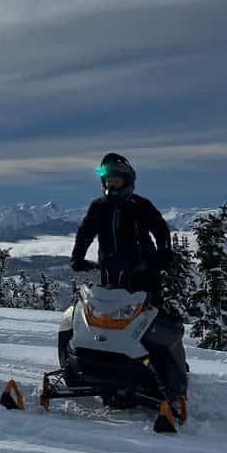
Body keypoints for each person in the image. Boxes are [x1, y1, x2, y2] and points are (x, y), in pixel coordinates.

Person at [70, 152, 187, 403]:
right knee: (108, 320)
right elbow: (85, 233)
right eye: (107, 180)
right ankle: (105, 370)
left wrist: (164, 254)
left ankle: (170, 377)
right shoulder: (98, 207)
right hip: (110, 271)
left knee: (152, 322)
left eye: (115, 180)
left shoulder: (140, 205)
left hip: (143, 271)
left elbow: (160, 230)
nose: (111, 184)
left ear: (127, 179)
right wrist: (77, 257)